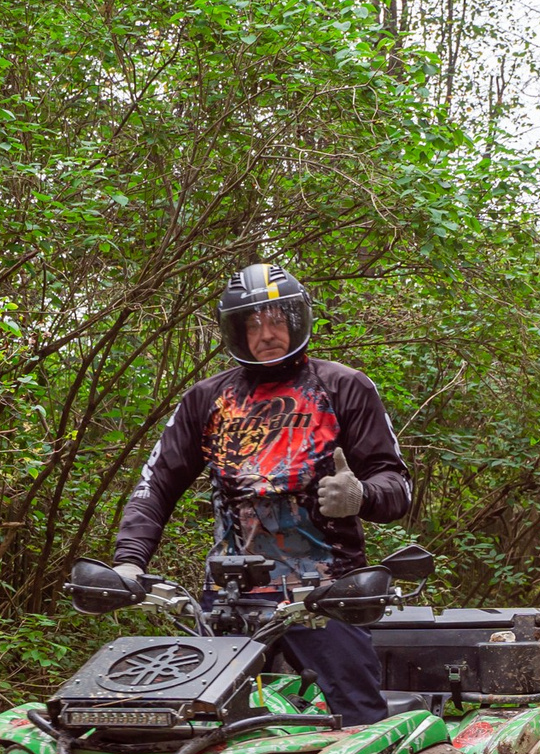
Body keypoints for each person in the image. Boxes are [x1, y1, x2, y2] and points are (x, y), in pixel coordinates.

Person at [110, 263, 411, 725]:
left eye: (276, 319)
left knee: (358, 723)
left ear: (297, 321)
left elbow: (397, 485)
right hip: (230, 596)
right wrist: (129, 562)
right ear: (235, 332)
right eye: (252, 323)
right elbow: (156, 485)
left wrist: (360, 495)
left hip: (326, 592)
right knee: (201, 723)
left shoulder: (343, 386)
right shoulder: (207, 399)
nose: (266, 333)